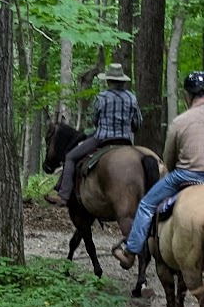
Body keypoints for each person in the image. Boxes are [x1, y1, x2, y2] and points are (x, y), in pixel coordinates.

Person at [113, 70, 204, 268]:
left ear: (187, 96)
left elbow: (169, 158)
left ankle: (130, 252)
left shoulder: (179, 122)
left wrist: (174, 170)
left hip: (186, 176)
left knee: (147, 205)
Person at [46, 62, 142, 206]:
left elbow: (95, 121)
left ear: (109, 80)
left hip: (102, 138)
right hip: (126, 141)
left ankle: (63, 195)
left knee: (70, 157)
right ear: (122, 81)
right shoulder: (131, 98)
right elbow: (137, 123)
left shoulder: (101, 97)